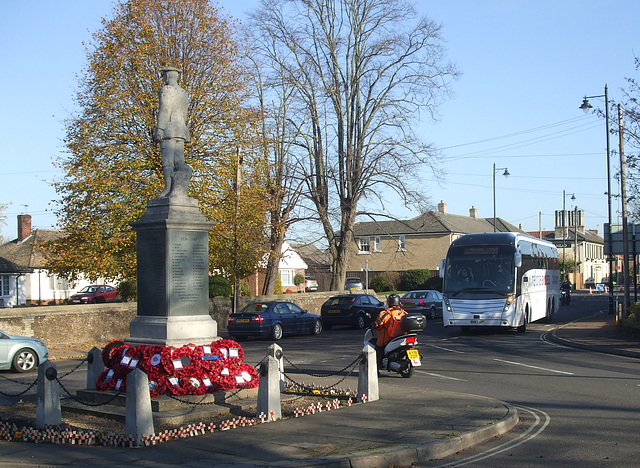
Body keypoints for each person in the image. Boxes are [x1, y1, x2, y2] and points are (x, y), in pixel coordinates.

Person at [155, 66, 192, 198]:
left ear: (168, 76)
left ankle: (168, 188)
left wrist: (160, 128)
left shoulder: (167, 90)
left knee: (168, 162)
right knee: (180, 162)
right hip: (181, 130)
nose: (164, 78)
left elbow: (165, 109)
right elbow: (185, 113)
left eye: (164, 76)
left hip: (169, 130)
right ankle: (180, 190)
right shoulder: (183, 93)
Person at [372, 294, 408, 368]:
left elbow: (378, 324)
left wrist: (373, 325)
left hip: (386, 339)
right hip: (402, 337)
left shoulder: (385, 313)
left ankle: (377, 369)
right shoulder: (404, 313)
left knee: (378, 349)